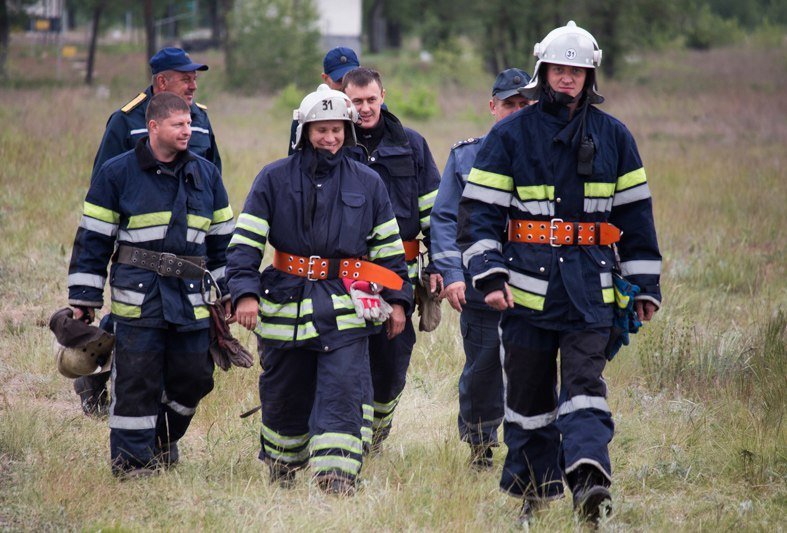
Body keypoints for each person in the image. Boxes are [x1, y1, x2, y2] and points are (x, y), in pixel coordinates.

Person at [457, 21, 662, 523]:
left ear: (589, 76)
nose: (567, 78)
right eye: (558, 69)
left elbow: (634, 216)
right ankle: (534, 492)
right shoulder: (509, 134)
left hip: (591, 290)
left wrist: (645, 285)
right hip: (525, 291)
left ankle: (589, 479)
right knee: (527, 398)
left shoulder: (615, 137)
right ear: (542, 71)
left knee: (585, 385)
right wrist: (490, 275)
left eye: (577, 71)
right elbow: (478, 213)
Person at [225, 84, 412, 495]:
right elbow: (245, 245)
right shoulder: (273, 179)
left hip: (345, 309)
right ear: (303, 131)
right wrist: (244, 293)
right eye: (321, 130)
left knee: (345, 390)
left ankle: (337, 479)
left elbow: (389, 254)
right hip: (284, 307)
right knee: (285, 396)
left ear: (348, 131)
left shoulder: (369, 183)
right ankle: (283, 466)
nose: (330, 138)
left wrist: (398, 302)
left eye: (337, 130)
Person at [66, 92, 234, 477]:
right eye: (179, 124)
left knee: (195, 378)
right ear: (154, 126)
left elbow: (223, 241)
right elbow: (93, 239)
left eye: (189, 124)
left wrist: (228, 293)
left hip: (191, 298)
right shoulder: (117, 173)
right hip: (138, 297)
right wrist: (84, 298)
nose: (187, 131)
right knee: (137, 382)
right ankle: (132, 465)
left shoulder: (206, 174)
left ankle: (160, 442)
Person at [74, 46, 223, 417]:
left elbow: (212, 177)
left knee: (188, 358)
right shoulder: (125, 121)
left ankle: (160, 423)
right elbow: (104, 188)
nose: (193, 84)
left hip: (187, 251)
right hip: (139, 253)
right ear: (161, 82)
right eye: (185, 78)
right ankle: (99, 378)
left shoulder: (201, 119)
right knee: (133, 325)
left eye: (195, 78)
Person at [430, 68, 532, 470]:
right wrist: (452, 275)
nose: (517, 111)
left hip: (534, 280)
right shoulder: (466, 155)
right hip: (478, 282)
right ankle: (480, 445)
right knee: (484, 366)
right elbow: (443, 219)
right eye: (510, 104)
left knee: (533, 365)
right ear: (493, 107)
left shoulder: (549, 153)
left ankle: (530, 442)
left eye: (525, 104)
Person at [342, 67, 442, 451]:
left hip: (397, 274)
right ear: (345, 99)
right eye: (356, 101)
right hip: (345, 275)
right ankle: (355, 435)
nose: (364, 109)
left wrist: (437, 265)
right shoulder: (334, 142)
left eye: (371, 100)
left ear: (383, 95)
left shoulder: (412, 145)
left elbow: (435, 212)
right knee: (348, 359)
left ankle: (378, 432)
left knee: (393, 361)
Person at [287, 46, 361, 155]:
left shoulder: (372, 112)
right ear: (325, 78)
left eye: (352, 78)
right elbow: (294, 162)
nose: (346, 86)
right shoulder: (308, 113)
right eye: (340, 81)